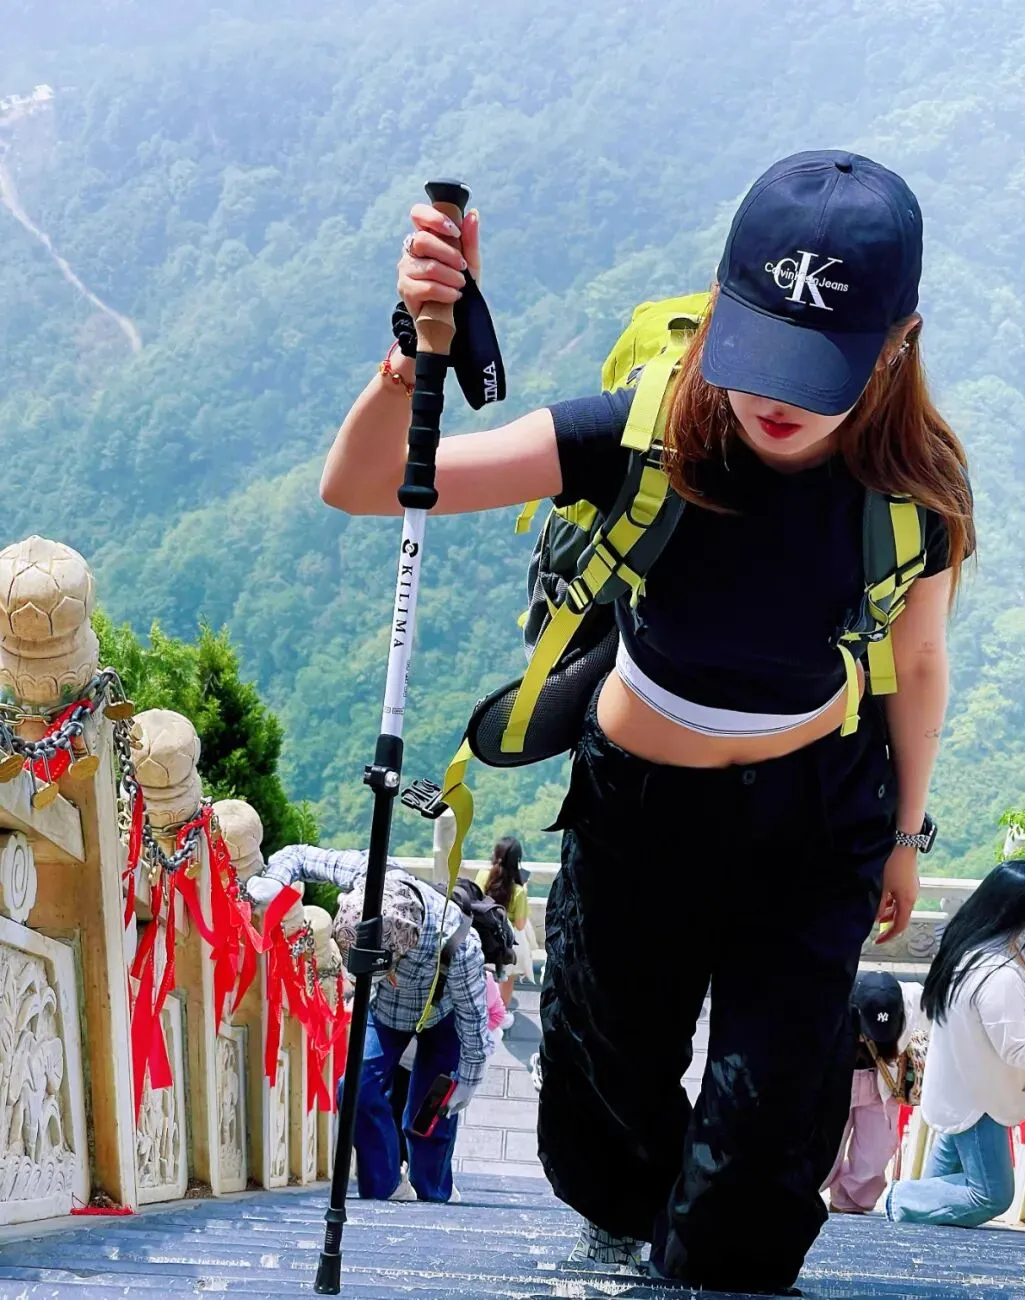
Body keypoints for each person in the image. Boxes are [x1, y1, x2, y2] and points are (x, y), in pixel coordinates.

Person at [319, 150, 975, 1293]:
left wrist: (905, 836)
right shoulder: (645, 433)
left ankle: (710, 1232)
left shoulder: (914, 489)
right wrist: (410, 355)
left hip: (816, 822)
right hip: (639, 814)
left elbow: (916, 664)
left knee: (755, 1197)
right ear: (720, 303)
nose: (775, 397)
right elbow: (369, 482)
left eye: (817, 367)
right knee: (603, 1130)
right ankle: (649, 1213)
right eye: (758, 346)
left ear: (895, 343)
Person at [271, 846, 492, 1205]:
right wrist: (274, 881)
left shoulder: (459, 945)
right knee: (355, 1088)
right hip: (386, 1012)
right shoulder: (371, 876)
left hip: (443, 1016)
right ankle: (386, 1185)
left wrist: (469, 1078)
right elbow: (297, 856)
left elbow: (474, 1020)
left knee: (428, 1114)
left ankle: (434, 1190)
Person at [887, 861, 1025, 1228]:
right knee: (990, 1194)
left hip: (973, 1086)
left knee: (936, 1200)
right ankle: (899, 1199)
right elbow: (1018, 1050)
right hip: (977, 1098)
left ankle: (908, 1221)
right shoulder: (996, 972)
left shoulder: (1021, 950)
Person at [823, 971, 928, 1214]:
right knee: (824, 1152)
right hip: (838, 1081)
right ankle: (804, 1196)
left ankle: (848, 1205)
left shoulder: (915, 999)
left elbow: (945, 1015)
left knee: (875, 1155)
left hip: (884, 1081)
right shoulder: (833, 999)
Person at [475, 836, 530, 1020]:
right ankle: (499, 1016)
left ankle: (482, 1012)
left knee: (482, 977)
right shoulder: (518, 891)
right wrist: (525, 891)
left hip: (482, 936)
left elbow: (475, 901)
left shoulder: (482, 876)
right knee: (507, 978)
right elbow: (520, 925)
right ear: (517, 861)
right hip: (506, 942)